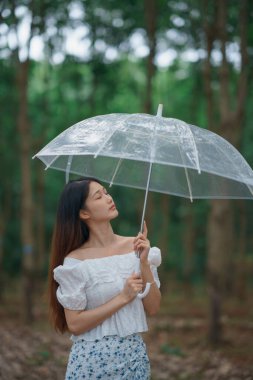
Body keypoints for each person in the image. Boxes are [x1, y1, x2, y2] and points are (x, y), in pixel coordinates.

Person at [49, 177, 162, 379]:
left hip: (133, 360)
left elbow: (153, 307)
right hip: (90, 364)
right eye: (98, 196)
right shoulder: (75, 262)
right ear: (84, 213)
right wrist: (123, 297)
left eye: (106, 192)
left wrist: (143, 263)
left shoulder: (136, 248)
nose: (108, 198)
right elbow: (75, 324)